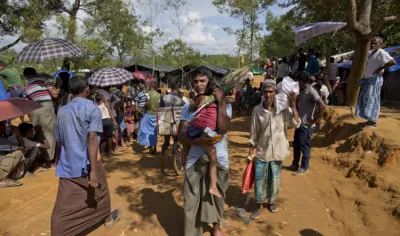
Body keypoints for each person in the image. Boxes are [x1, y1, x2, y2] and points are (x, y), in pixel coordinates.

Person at [51, 75, 121, 235]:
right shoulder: (92, 109)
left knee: (62, 207)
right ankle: (107, 218)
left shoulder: (62, 111)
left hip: (68, 164)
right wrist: (94, 171)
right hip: (90, 162)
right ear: (87, 90)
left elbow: (60, 139)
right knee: (101, 194)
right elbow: (92, 139)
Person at [178, 67, 231, 236]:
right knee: (191, 198)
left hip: (219, 157)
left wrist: (221, 102)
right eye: (195, 81)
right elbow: (181, 134)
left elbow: (222, 129)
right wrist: (197, 141)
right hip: (194, 159)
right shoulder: (189, 107)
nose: (198, 84)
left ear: (209, 82)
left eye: (202, 81)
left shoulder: (221, 102)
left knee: (216, 195)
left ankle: (216, 228)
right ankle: (192, 232)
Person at [248, 80, 300, 219]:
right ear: (262, 93)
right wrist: (250, 153)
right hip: (262, 151)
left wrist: (293, 104)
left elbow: (295, 123)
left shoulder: (283, 109)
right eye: (266, 92)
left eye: (271, 91)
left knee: (274, 179)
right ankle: (259, 204)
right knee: (260, 180)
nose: (268, 94)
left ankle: (271, 201)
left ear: (275, 93)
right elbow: (254, 133)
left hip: (278, 150)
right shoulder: (257, 111)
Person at [289, 72, 326, 175]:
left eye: (297, 82)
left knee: (304, 147)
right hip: (300, 124)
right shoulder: (303, 91)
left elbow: (322, 106)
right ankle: (295, 164)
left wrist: (314, 121)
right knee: (296, 145)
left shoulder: (311, 92)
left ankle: (304, 167)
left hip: (306, 126)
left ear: (301, 82)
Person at [356, 36, 396, 128]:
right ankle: (370, 120)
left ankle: (373, 122)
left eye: (375, 43)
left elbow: (393, 62)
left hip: (374, 80)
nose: (373, 45)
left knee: (372, 100)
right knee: (368, 100)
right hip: (368, 79)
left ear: (380, 44)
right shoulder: (372, 53)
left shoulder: (381, 53)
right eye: (371, 43)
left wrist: (380, 68)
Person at [23, 68, 59, 164]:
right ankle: (49, 159)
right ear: (36, 73)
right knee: (49, 133)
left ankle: (41, 157)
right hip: (46, 107)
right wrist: (59, 86)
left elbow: (27, 106)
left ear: (26, 77)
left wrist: (32, 120)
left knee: (39, 134)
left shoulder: (26, 87)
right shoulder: (44, 80)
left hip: (34, 110)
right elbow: (55, 95)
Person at [160, 86, 185, 164]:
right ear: (177, 91)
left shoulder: (164, 97)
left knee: (166, 141)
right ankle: (176, 157)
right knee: (177, 140)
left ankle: (162, 156)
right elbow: (185, 109)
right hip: (176, 121)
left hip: (166, 121)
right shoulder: (179, 100)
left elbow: (161, 109)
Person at [138, 81, 160, 153]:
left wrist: (141, 109)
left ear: (151, 87)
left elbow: (147, 103)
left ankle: (149, 146)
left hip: (148, 113)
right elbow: (159, 105)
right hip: (155, 115)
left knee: (144, 129)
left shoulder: (148, 93)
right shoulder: (159, 95)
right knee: (153, 132)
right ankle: (154, 148)